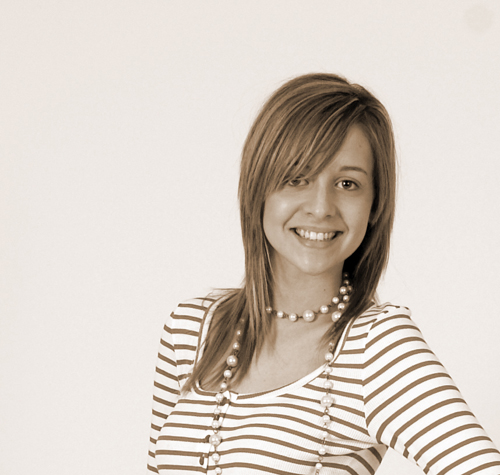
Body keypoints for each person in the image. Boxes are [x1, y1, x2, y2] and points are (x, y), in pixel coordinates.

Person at [147, 73, 500, 474]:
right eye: (297, 178)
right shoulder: (193, 328)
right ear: (258, 188)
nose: (320, 207)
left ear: (375, 205)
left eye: (347, 183)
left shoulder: (376, 346)